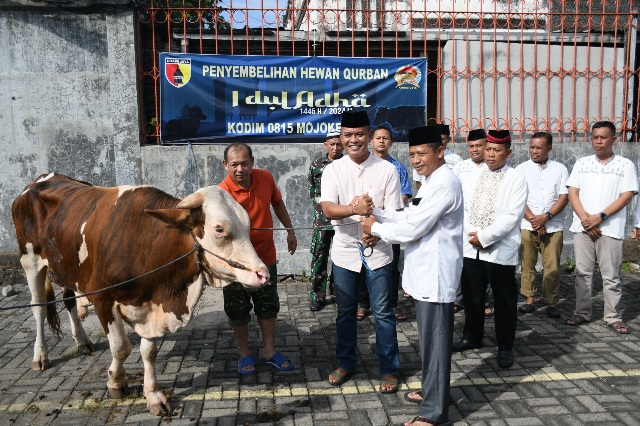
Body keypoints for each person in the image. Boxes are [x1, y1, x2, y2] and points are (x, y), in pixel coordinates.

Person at [360, 125, 464, 426]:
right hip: (425, 274)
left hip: (437, 275)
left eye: (422, 153)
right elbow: (410, 215)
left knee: (436, 343)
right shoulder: (431, 180)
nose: (416, 160)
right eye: (412, 154)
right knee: (430, 342)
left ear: (440, 151)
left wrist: (374, 229)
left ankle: (434, 414)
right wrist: (378, 213)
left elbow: (414, 228)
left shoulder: (445, 183)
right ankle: (434, 391)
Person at [320, 110, 403, 393]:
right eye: (347, 135)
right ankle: (345, 363)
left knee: (382, 312)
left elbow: (393, 213)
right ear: (341, 138)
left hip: (378, 250)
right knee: (345, 311)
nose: (353, 140)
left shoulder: (387, 169)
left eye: (359, 135)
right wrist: (355, 210)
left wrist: (374, 230)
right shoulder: (333, 170)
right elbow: (329, 209)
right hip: (344, 251)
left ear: (368, 136)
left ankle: (389, 367)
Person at [219, 143, 298, 374]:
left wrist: (290, 231)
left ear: (252, 162)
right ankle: (245, 354)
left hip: (265, 258)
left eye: (245, 163)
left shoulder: (265, 177)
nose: (240, 169)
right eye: (234, 164)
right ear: (226, 165)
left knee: (268, 305)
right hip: (236, 265)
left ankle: (269, 351)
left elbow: (277, 203)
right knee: (237, 309)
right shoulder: (221, 193)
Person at [453, 129, 527, 369]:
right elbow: (463, 209)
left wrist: (484, 237)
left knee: (504, 301)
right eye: (488, 149)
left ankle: (505, 346)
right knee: (472, 297)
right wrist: (469, 236)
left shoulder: (516, 178)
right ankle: (472, 337)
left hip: (499, 249)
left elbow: (512, 217)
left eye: (496, 150)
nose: (491, 154)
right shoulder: (472, 175)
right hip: (470, 247)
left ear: (509, 152)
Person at [565, 121, 637, 334]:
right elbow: (572, 192)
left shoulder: (625, 165)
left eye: (603, 137)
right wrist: (586, 219)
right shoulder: (582, 163)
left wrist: (600, 217)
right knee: (583, 273)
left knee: (611, 275)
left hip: (611, 228)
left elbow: (626, 195)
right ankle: (582, 312)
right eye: (595, 137)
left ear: (613, 140)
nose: (598, 141)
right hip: (583, 227)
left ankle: (613, 316)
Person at [357, 125, 412, 322]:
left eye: (385, 138)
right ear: (371, 141)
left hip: (391, 222)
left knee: (391, 264)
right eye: (378, 137)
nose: (381, 141)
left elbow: (404, 194)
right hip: (366, 222)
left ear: (391, 143)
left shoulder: (397, 168)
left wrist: (387, 208)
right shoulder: (364, 166)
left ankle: (392, 304)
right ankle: (364, 304)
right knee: (365, 262)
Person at [515, 132, 569, 318]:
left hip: (553, 226)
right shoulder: (521, 169)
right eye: (532, 147)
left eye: (539, 148)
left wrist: (545, 218)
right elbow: (518, 198)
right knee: (527, 263)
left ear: (549, 149)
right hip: (527, 224)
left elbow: (564, 197)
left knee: (552, 265)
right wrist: (535, 221)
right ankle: (529, 299)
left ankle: (551, 302)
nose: (534, 151)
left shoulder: (560, 169)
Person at [451, 128, 493, 316]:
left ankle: (484, 300)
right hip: (463, 223)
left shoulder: (493, 167)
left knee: (486, 265)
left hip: (487, 225)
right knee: (463, 265)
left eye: (479, 146)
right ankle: (461, 300)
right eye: (471, 146)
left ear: (486, 146)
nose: (475, 150)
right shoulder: (460, 168)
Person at [307, 131, 344, 311]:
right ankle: (317, 295)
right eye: (332, 144)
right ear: (325, 145)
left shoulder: (348, 164)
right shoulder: (317, 165)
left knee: (341, 258)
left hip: (343, 219)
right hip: (322, 221)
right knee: (319, 258)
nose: (335, 148)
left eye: (338, 144)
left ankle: (339, 293)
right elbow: (312, 191)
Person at [413, 123, 462, 190]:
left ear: (449, 139)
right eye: (436, 138)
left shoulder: (456, 159)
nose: (439, 141)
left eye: (442, 139)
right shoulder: (422, 157)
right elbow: (418, 181)